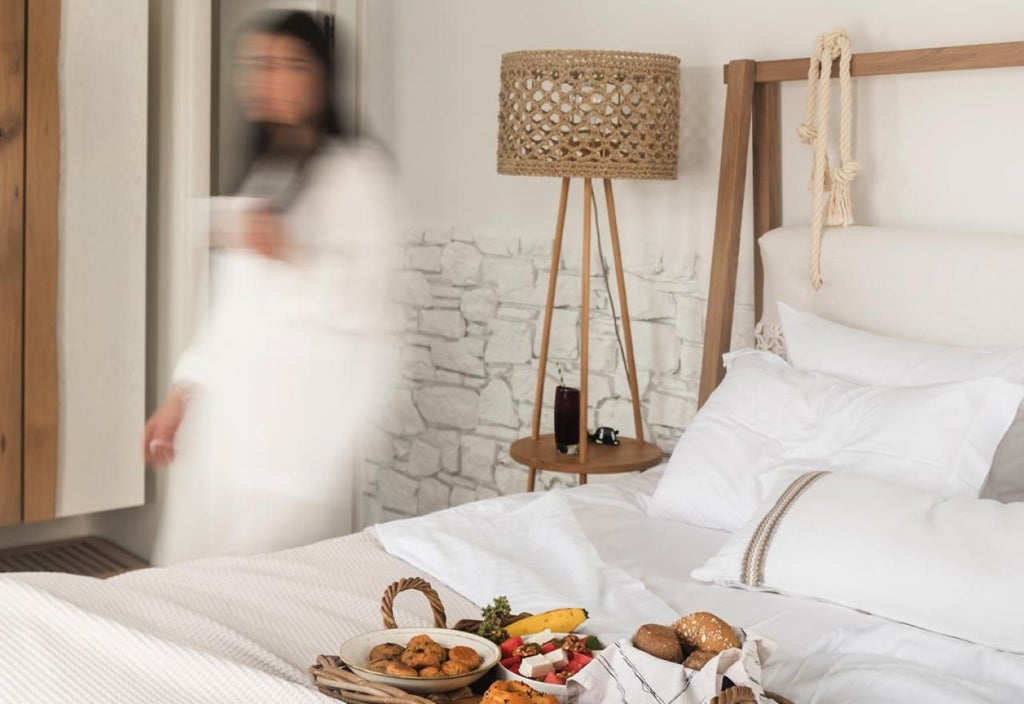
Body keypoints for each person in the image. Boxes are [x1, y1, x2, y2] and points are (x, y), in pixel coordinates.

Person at [143, 11, 399, 565]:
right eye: (260, 64)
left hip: (295, 438)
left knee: (259, 585)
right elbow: (231, 308)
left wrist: (289, 252)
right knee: (188, 574)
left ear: (322, 78)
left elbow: (372, 309)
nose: (270, 78)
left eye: (290, 65)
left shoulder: (355, 173)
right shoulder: (265, 171)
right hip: (228, 426)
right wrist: (180, 393)